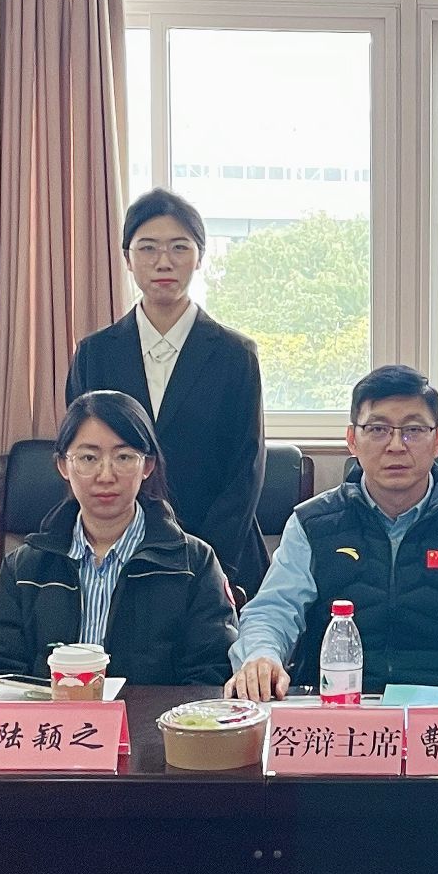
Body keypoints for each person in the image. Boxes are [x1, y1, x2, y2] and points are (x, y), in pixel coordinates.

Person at [225, 365, 438, 700]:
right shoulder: (312, 523)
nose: (396, 445)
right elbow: (272, 610)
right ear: (352, 440)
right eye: (378, 429)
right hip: (336, 706)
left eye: (413, 430)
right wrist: (261, 656)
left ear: (437, 441)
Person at [66, 189, 269, 592]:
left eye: (179, 247)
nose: (163, 262)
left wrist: (209, 564)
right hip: (117, 554)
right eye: (148, 248)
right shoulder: (96, 353)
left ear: (200, 256)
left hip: (220, 556)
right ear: (127, 258)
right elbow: (83, 454)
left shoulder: (235, 355)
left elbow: (245, 470)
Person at [0, 391, 237, 686]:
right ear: (63, 466)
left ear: (147, 466)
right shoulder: (24, 568)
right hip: (49, 716)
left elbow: (211, 678)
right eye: (88, 458)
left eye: (124, 457)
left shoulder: (194, 564)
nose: (106, 475)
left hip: (152, 717)